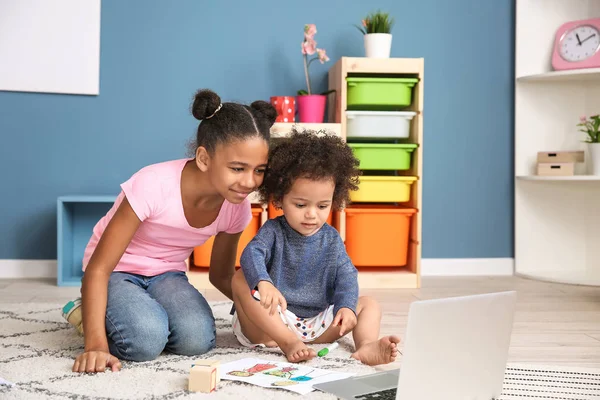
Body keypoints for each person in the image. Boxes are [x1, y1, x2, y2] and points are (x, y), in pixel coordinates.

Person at [65, 89, 277, 373]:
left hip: (167, 274)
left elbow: (221, 275)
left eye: (259, 170)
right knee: (144, 341)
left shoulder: (234, 205)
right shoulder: (153, 184)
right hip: (116, 271)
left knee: (197, 340)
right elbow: (98, 269)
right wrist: (95, 347)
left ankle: (135, 311)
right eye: (238, 168)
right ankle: (86, 313)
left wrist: (265, 314)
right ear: (203, 158)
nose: (249, 182)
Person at [230, 130, 401, 365]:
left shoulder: (331, 239)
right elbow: (251, 254)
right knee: (240, 279)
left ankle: (366, 346)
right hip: (271, 325)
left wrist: (346, 307)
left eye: (323, 206)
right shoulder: (273, 231)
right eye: (300, 204)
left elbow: (346, 275)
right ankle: (288, 342)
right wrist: (264, 282)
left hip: (316, 325)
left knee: (368, 304)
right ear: (279, 199)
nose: (312, 214)